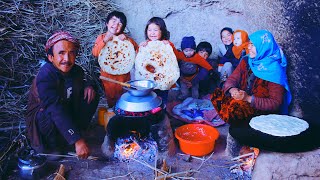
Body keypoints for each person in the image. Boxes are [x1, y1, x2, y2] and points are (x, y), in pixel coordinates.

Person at [26, 31, 99, 159]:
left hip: (65, 110)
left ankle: (76, 132)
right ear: (51, 57)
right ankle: (54, 147)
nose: (67, 59)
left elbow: (82, 81)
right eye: (61, 53)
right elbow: (55, 109)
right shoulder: (46, 75)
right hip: (45, 120)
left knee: (91, 96)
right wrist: (77, 140)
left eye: (71, 53)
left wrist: (89, 85)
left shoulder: (76, 71)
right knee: (47, 113)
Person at [211, 30, 291, 126]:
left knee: (236, 109)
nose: (248, 47)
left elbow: (275, 103)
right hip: (242, 99)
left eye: (253, 45)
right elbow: (232, 79)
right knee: (217, 94)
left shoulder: (274, 70)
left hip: (260, 108)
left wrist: (248, 98)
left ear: (263, 47)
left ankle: (239, 122)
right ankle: (235, 118)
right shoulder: (247, 60)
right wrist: (233, 90)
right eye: (249, 44)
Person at [140, 17, 217, 103]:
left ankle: (163, 109)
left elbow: (174, 56)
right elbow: (140, 60)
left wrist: (169, 45)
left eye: (155, 30)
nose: (152, 33)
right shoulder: (145, 45)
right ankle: (152, 110)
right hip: (150, 75)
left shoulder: (167, 44)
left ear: (162, 31)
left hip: (164, 75)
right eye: (149, 30)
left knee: (163, 94)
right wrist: (141, 47)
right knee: (150, 95)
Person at [92, 11, 138, 108]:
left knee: (124, 100)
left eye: (120, 23)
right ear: (107, 23)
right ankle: (112, 116)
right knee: (111, 100)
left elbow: (137, 51)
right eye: (113, 21)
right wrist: (105, 40)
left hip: (124, 77)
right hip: (107, 77)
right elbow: (95, 53)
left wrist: (126, 40)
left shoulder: (126, 40)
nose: (116, 24)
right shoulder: (101, 38)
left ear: (123, 28)